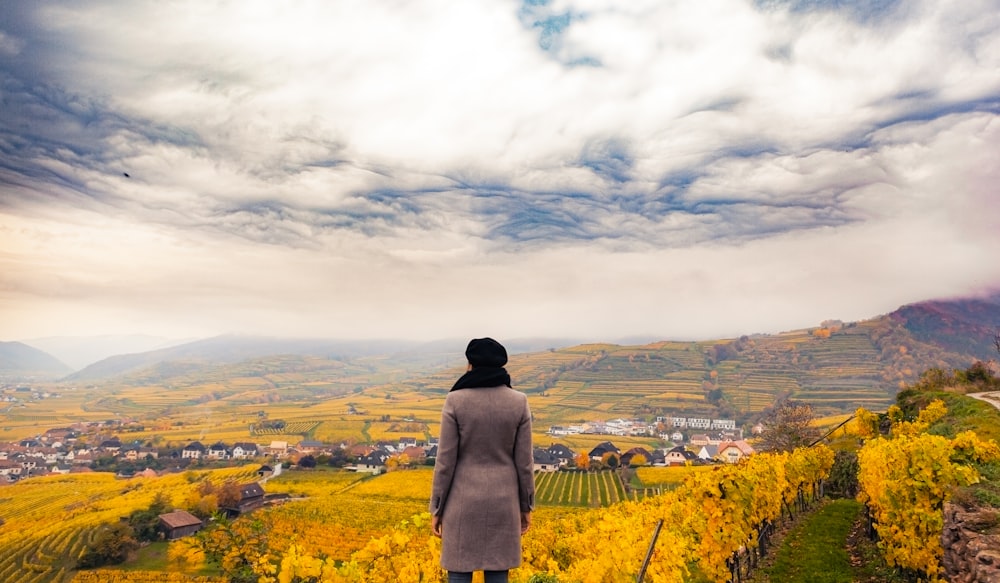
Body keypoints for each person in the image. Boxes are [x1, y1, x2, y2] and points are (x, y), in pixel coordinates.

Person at [430, 337, 535, 583]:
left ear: (470, 365)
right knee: (498, 573)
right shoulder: (519, 402)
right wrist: (526, 506)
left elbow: (445, 462)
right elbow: (525, 464)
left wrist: (436, 508)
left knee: (458, 571)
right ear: (501, 367)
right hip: (503, 501)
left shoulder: (455, 400)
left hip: (461, 503)